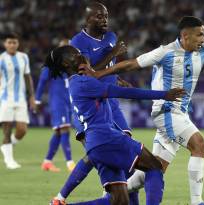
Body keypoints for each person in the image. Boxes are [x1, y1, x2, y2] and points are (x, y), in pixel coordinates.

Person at [83, 16, 204, 205]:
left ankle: (110, 198)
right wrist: (99, 73)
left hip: (180, 113)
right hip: (165, 110)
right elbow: (132, 63)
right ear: (185, 36)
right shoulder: (165, 52)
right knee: (199, 144)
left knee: (154, 169)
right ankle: (197, 202)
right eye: (200, 35)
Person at [47, 45, 185, 205]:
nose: (80, 55)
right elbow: (125, 93)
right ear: (65, 63)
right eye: (75, 54)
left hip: (95, 146)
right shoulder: (83, 83)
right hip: (108, 138)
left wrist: (96, 71)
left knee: (119, 201)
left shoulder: (76, 84)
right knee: (154, 166)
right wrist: (164, 95)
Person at [51, 2, 140, 204]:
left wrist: (117, 79)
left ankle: (112, 195)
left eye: (106, 16)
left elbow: (108, 69)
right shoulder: (78, 43)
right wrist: (112, 53)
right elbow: (86, 75)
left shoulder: (111, 38)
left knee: (125, 156)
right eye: (99, 16)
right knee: (96, 153)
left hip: (111, 104)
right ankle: (60, 197)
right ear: (87, 19)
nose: (104, 20)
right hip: (90, 107)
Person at [35, 39, 75, 172]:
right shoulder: (51, 66)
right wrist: (37, 100)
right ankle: (70, 163)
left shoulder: (71, 66)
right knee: (65, 130)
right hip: (58, 103)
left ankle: (47, 162)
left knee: (59, 132)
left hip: (68, 103)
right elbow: (42, 82)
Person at [0, 33, 36, 169]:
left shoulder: (23, 57)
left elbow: (27, 77)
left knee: (22, 130)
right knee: (7, 129)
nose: (12, 45)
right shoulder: (1, 59)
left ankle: (7, 146)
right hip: (5, 98)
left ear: (17, 44)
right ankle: (9, 161)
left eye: (14, 42)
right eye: (9, 42)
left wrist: (31, 96)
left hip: (20, 98)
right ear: (5, 44)